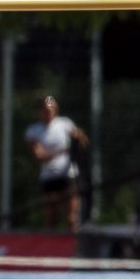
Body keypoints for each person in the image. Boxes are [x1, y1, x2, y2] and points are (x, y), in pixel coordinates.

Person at [24, 96, 86, 232]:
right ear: (40, 111)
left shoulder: (65, 124)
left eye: (53, 109)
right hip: (49, 177)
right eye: (46, 109)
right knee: (50, 218)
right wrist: (63, 150)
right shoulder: (34, 130)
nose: (50, 112)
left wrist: (78, 137)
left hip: (68, 175)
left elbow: (82, 141)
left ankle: (74, 248)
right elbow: (39, 155)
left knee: (71, 218)